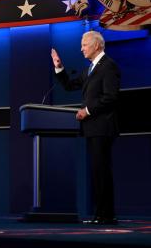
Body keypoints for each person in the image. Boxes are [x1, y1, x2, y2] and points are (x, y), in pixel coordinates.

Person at [51, 31, 120, 225]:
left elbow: (110, 97)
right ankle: (101, 214)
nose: (81, 49)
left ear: (96, 45)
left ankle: (106, 215)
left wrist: (87, 111)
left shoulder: (108, 66)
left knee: (102, 171)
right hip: (93, 128)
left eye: (84, 45)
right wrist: (59, 67)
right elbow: (69, 85)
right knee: (97, 172)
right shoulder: (90, 68)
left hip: (103, 126)